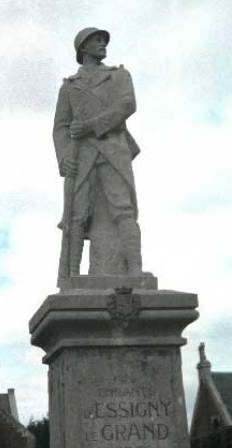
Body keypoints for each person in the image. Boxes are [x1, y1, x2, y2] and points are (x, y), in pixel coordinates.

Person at [53, 27, 142, 283]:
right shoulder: (69, 87)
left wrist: (91, 125)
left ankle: (135, 270)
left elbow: (127, 105)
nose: (102, 43)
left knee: (123, 209)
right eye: (96, 40)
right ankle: (72, 276)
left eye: (103, 40)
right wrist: (63, 158)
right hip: (81, 156)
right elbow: (59, 127)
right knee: (76, 216)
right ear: (83, 48)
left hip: (113, 150)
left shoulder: (119, 76)